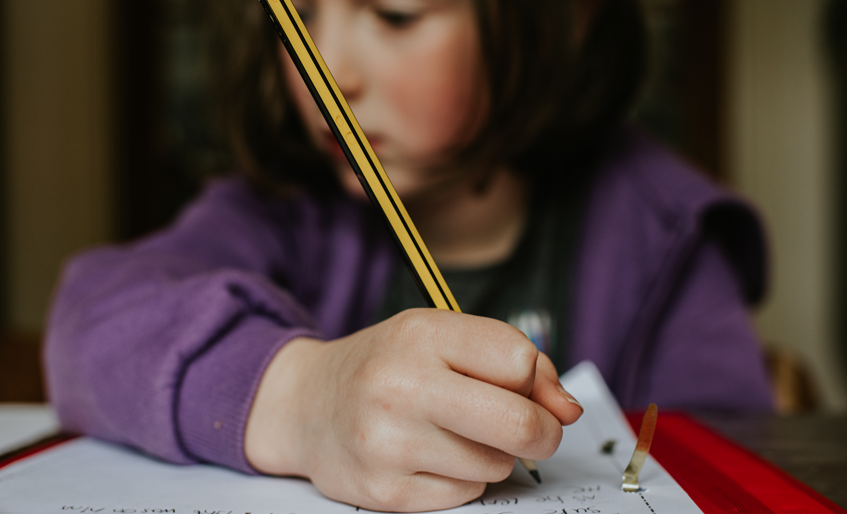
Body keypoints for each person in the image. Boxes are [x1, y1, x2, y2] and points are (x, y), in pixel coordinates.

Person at [44, 0, 773, 511]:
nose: (327, 73)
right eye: (297, 16)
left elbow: (724, 471)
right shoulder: (277, 207)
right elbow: (91, 321)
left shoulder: (666, 237)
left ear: (570, 14)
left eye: (395, 14)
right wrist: (306, 401)